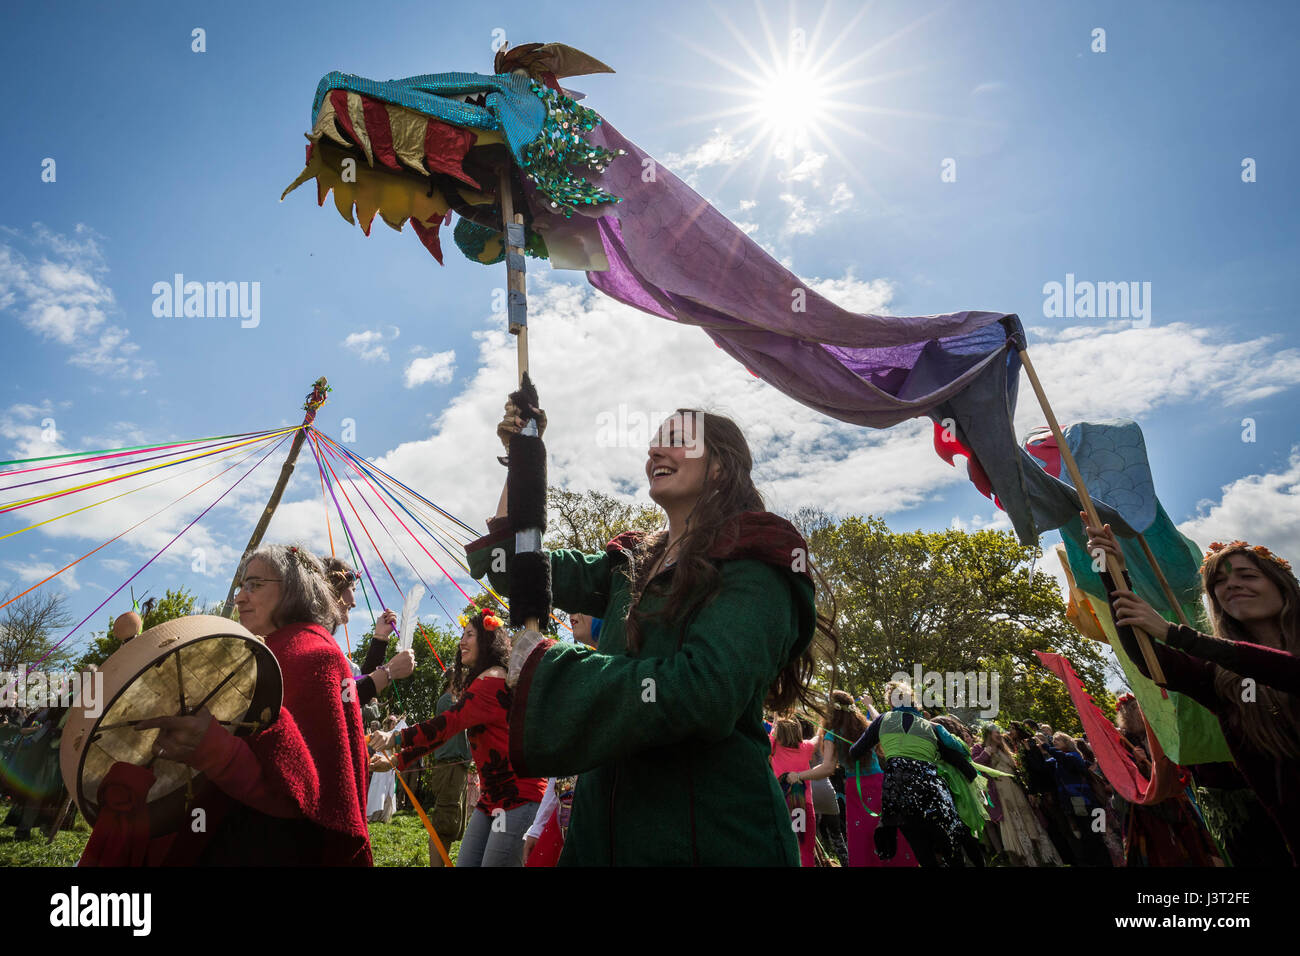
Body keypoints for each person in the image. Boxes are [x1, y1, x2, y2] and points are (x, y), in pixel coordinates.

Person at [471, 401, 833, 865]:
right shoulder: (631, 561)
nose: (655, 449)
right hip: (601, 834)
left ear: (721, 466)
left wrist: (550, 669)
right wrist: (524, 458)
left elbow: (705, 690)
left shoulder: (756, 559)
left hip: (710, 837)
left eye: (678, 441)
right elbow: (515, 568)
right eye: (654, 442)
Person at [103, 544, 372, 866]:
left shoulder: (316, 656)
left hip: (266, 848)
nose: (240, 597)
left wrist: (215, 749)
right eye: (241, 586)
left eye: (255, 585)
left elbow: (307, 794)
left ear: (295, 590)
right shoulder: (241, 654)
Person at [1087, 522, 1300, 864]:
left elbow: (1288, 671)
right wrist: (1113, 571)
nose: (1231, 584)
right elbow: (1151, 658)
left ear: (1282, 584)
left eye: (1248, 575)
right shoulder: (1221, 679)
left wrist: (1177, 634)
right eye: (1218, 583)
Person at [371, 608, 545, 867]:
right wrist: (398, 760)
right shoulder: (483, 681)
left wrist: (396, 738)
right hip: (492, 802)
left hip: (518, 798)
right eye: (462, 635)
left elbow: (445, 725)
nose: (462, 641)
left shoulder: (492, 681)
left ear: (486, 641)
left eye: (469, 635)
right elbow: (443, 736)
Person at [849, 681, 976, 866]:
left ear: (891, 703)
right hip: (932, 791)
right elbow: (955, 758)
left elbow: (855, 752)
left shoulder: (883, 720)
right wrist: (972, 776)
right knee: (950, 848)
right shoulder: (929, 726)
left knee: (922, 852)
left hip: (899, 794)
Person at [799, 690, 915, 866]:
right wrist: (869, 704)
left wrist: (799, 775)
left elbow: (828, 768)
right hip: (881, 783)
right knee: (890, 828)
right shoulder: (867, 726)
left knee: (864, 834)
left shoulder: (831, 735)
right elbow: (883, 720)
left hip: (857, 789)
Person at [322, 557, 415, 707]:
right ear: (335, 588)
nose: (354, 602)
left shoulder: (325, 642)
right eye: (352, 590)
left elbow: (360, 680)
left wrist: (381, 636)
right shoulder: (314, 645)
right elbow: (341, 702)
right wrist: (389, 671)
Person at [977, 726, 1061, 866]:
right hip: (1001, 794)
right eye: (996, 732)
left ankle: (1041, 857)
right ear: (988, 734)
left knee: (1028, 819)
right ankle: (1023, 859)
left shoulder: (1005, 749)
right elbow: (976, 766)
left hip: (1017, 791)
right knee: (1013, 821)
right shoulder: (980, 748)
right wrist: (986, 754)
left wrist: (1029, 791)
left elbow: (1018, 771)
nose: (999, 735)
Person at [771, 716, 819, 866]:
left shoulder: (773, 746)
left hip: (782, 804)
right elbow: (818, 737)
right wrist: (823, 725)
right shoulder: (806, 748)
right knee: (805, 850)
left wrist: (775, 721)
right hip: (804, 805)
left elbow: (769, 734)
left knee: (783, 848)